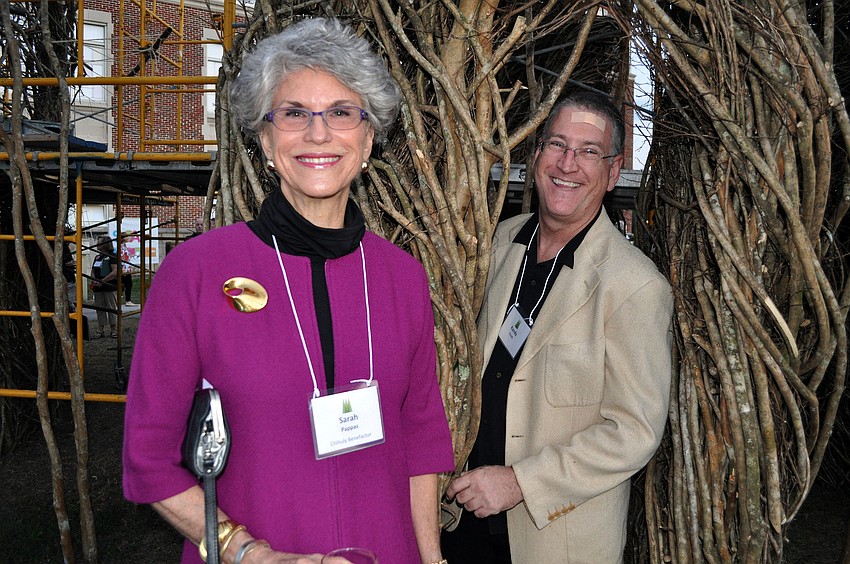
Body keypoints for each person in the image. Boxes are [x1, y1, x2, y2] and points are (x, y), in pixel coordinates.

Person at [123, 18, 454, 564]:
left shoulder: (402, 278)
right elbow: (148, 460)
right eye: (295, 113)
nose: (318, 134)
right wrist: (250, 554)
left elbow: (422, 443)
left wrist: (431, 558)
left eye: (342, 113)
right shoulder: (196, 273)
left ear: (368, 139)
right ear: (265, 140)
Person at [441, 92, 674, 563]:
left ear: (613, 171)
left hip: (552, 538)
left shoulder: (634, 285)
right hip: (462, 521)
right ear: (536, 154)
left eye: (589, 151)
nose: (568, 164)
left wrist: (519, 482)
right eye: (557, 144)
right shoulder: (501, 242)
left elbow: (633, 431)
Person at [90, 235, 118, 338]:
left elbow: (114, 272)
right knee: (99, 308)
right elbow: (93, 270)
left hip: (109, 286)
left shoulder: (112, 256)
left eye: (100, 242)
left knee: (111, 307)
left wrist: (102, 281)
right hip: (98, 287)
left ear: (106, 244)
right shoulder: (98, 257)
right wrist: (94, 280)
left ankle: (113, 330)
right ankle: (100, 330)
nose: (97, 244)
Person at [119, 232, 135, 306]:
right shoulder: (121, 247)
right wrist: (123, 268)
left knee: (126, 284)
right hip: (124, 268)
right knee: (128, 284)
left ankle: (126, 299)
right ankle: (127, 300)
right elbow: (122, 257)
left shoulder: (124, 246)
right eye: (127, 236)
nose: (129, 238)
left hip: (126, 267)